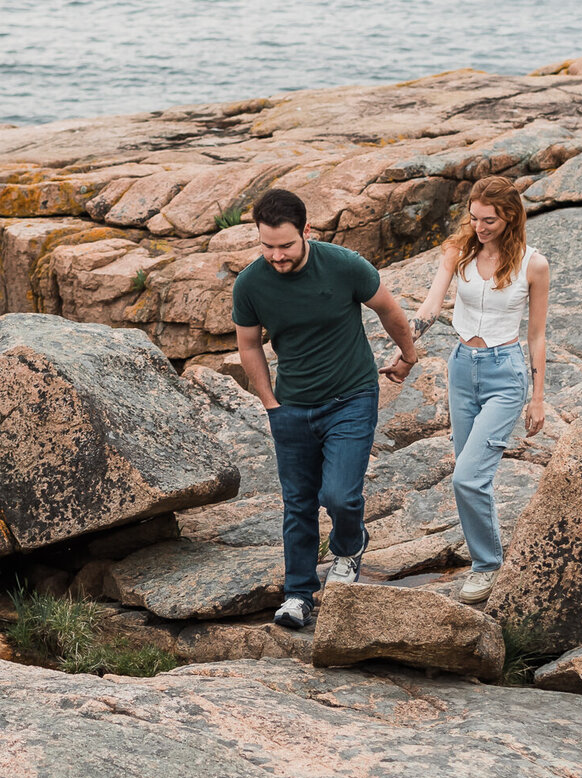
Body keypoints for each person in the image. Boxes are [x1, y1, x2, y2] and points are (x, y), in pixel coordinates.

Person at [232, 187, 420, 629]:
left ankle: (349, 548)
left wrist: (408, 355)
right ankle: (298, 594)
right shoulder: (250, 284)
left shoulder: (343, 265)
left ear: (306, 232)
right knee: (297, 504)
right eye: (267, 246)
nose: (276, 256)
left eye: (285, 246)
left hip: (350, 397)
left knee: (339, 495)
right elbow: (248, 344)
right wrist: (270, 403)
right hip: (292, 406)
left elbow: (389, 310)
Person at [411, 174, 548, 603]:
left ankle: (487, 566)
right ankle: (485, 560)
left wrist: (538, 397)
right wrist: (405, 343)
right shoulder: (458, 251)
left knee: (467, 478)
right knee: (471, 476)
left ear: (509, 217)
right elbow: (433, 303)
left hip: (504, 375)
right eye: (473, 218)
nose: (479, 227)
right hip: (461, 368)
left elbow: (537, 334)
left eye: (488, 220)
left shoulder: (533, 264)